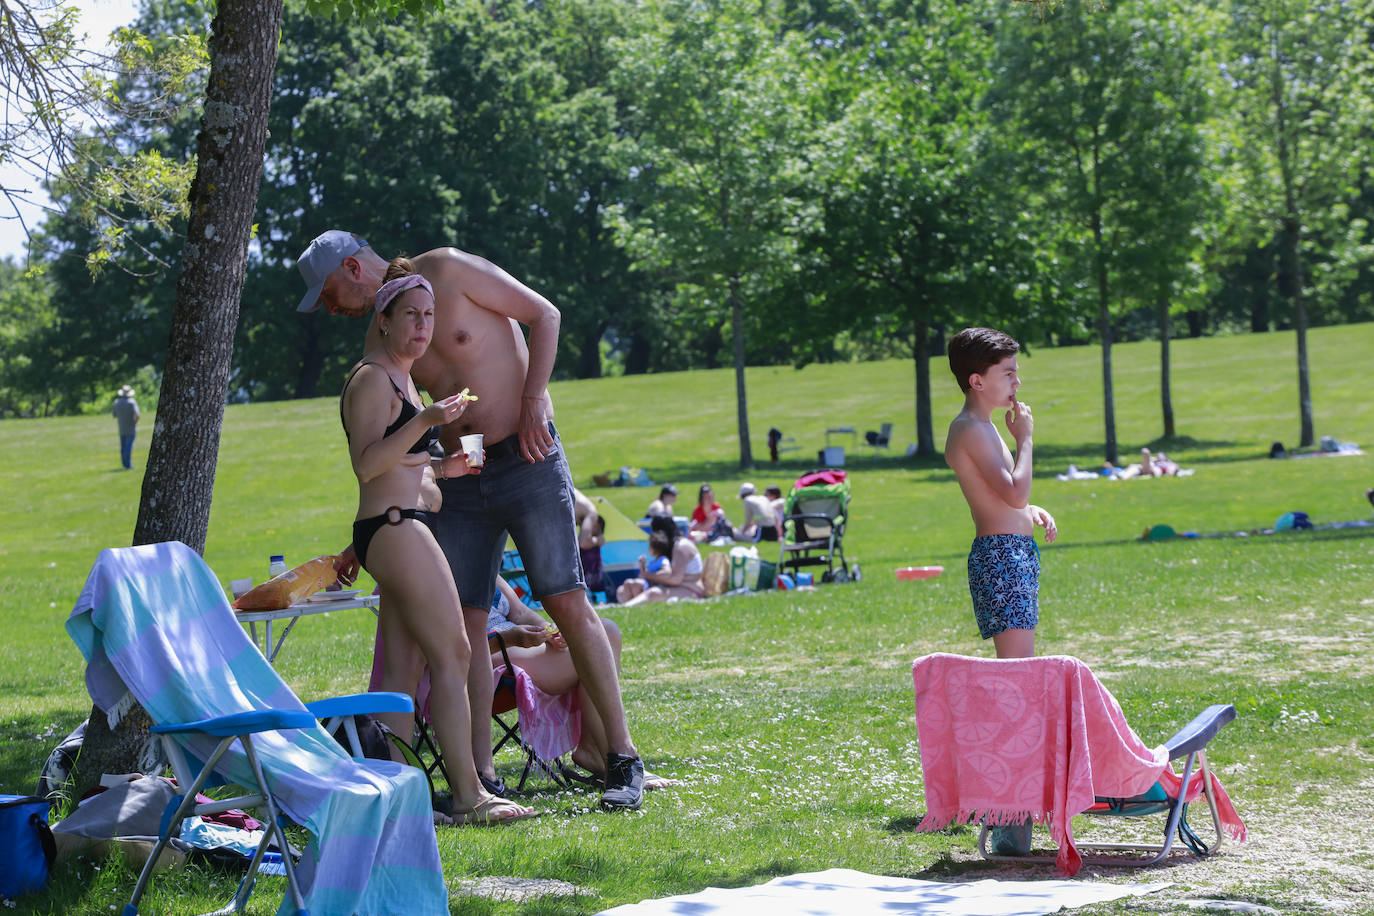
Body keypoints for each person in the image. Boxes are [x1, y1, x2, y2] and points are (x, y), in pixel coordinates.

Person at [297, 230, 647, 810]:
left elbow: (546, 314)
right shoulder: (380, 339)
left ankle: (621, 756)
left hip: (529, 456)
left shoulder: (451, 272)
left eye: (329, 292)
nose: (329, 308)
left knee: (565, 598)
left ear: (353, 267)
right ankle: (480, 775)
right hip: (464, 472)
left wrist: (535, 399)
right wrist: (373, 531)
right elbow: (387, 449)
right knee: (465, 622)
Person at [338, 258, 533, 826]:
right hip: (396, 529)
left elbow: (408, 466)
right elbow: (369, 466)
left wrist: (448, 468)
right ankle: (471, 794)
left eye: (430, 316)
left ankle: (401, 800)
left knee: (401, 672)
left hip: (399, 524)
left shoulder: (401, 376)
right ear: (383, 319)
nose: (424, 327)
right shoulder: (373, 378)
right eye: (412, 317)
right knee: (455, 653)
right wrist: (425, 419)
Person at [943, 327, 1058, 661]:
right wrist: (1025, 438)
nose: (1016, 383)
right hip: (1002, 556)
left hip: (1013, 551)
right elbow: (1015, 494)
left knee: (1020, 666)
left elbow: (1008, 496)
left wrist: (1028, 510)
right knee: (1018, 669)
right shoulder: (969, 429)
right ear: (977, 381)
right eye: (1008, 374)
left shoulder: (984, 426)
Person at [618, 515, 706, 606]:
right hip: (678, 585)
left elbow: (675, 579)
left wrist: (648, 575)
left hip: (691, 590)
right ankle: (627, 605)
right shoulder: (672, 547)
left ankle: (625, 607)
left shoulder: (681, 546)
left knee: (653, 593)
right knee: (625, 588)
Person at [573, 488, 606, 595]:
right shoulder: (591, 513)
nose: (577, 525)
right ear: (597, 524)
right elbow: (583, 542)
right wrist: (598, 540)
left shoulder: (580, 506)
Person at [111, 385, 140, 470]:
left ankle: (125, 464)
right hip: (131, 428)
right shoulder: (132, 402)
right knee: (128, 447)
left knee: (123, 447)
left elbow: (114, 415)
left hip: (121, 428)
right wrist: (134, 422)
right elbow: (137, 415)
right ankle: (128, 465)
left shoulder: (117, 402)